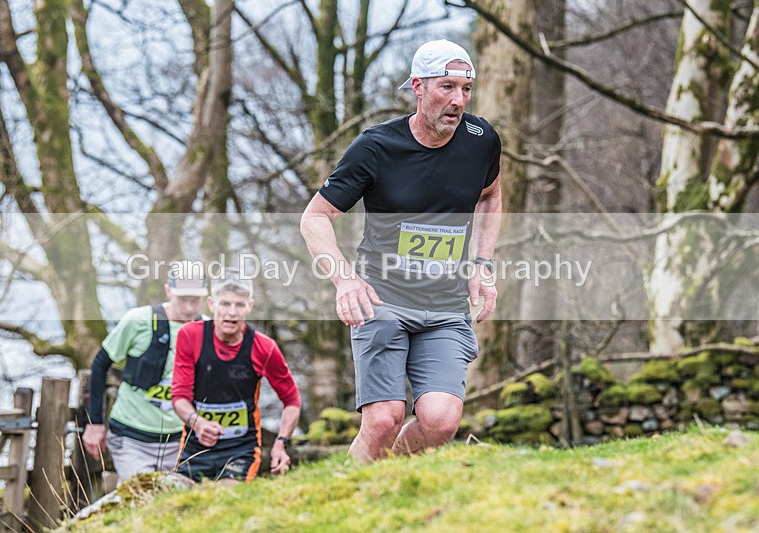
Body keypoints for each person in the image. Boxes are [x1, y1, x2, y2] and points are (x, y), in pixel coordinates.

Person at [299, 39, 502, 461]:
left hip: (444, 303)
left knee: (441, 420)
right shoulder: (375, 148)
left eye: (466, 89)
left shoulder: (481, 139)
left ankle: (387, 483)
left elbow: (489, 196)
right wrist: (344, 280)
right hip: (382, 298)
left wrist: (481, 264)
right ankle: (354, 495)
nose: (458, 100)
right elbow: (315, 217)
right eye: (446, 87)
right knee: (382, 420)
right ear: (417, 87)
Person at [82, 261, 207, 482]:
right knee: (140, 500)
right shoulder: (138, 320)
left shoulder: (209, 330)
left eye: (195, 300)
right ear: (168, 291)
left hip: (181, 440)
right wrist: (95, 424)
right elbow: (100, 364)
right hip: (131, 437)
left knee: (179, 506)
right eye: (182, 299)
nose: (189, 308)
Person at [171, 271, 301, 484]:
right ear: (211, 304)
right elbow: (179, 398)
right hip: (195, 449)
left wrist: (280, 443)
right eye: (225, 304)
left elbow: (292, 400)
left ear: (250, 306)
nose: (231, 313)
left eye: (239, 305)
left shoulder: (264, 347)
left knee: (226, 498)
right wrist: (198, 423)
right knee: (183, 506)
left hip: (241, 451)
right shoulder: (190, 336)